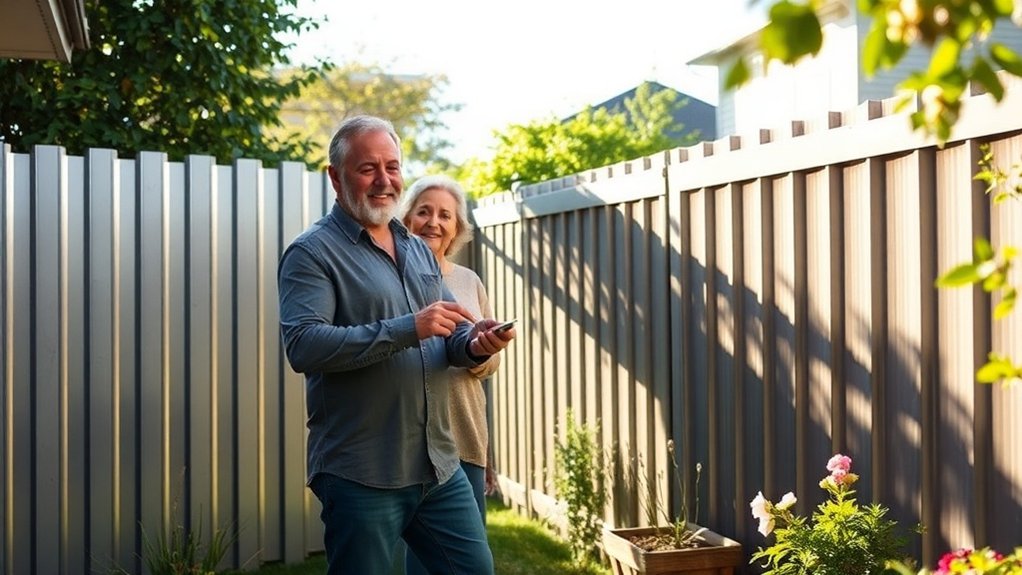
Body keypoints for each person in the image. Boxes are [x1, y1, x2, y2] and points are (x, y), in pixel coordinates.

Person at [277, 115, 515, 575]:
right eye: (368, 168)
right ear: (335, 176)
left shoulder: (416, 247)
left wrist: (477, 343)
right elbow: (303, 346)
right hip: (363, 472)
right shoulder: (312, 253)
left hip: (437, 465)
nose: (384, 181)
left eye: (392, 166)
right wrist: (408, 327)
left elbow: (448, 333)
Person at [399, 175, 502, 575]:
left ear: (457, 228)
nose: (433, 222)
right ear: (406, 218)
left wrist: (481, 351)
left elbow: (487, 367)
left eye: (445, 215)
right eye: (424, 211)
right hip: (412, 438)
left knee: (464, 558)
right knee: (426, 560)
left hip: (465, 433)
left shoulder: (468, 281)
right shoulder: (390, 275)